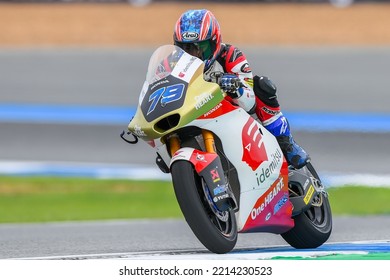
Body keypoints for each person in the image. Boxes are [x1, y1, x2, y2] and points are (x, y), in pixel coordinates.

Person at [173, 9, 309, 169]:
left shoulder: (230, 56)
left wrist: (236, 88)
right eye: (186, 48)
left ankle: (286, 142)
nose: (194, 54)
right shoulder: (173, 65)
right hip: (195, 113)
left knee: (262, 86)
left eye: (200, 47)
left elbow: (249, 103)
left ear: (214, 41)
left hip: (232, 112)